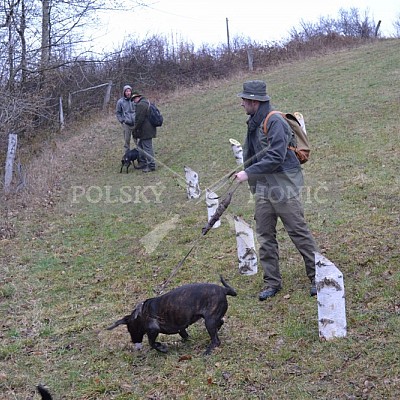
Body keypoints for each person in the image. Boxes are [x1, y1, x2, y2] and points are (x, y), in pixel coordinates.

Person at [234, 80, 319, 300]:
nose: (241, 103)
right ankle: (272, 282)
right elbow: (253, 154)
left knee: (298, 232)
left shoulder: (275, 121)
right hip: (263, 186)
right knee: (264, 235)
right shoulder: (254, 121)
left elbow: (276, 156)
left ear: (254, 101)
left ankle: (318, 275)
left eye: (244, 99)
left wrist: (248, 173)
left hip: (282, 185)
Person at [131, 91, 157, 172]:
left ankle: (151, 165)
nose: (134, 101)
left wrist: (135, 129)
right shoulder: (146, 102)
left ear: (137, 97)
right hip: (147, 129)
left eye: (134, 99)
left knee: (147, 148)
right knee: (140, 147)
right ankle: (143, 163)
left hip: (146, 131)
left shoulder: (140, 105)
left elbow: (139, 119)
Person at [115, 85, 136, 155]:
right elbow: (118, 112)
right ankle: (127, 157)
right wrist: (122, 120)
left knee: (138, 140)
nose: (128, 93)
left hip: (136, 123)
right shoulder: (120, 102)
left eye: (129, 91)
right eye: (126, 91)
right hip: (126, 124)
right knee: (127, 141)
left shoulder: (134, 99)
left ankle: (141, 157)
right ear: (124, 92)